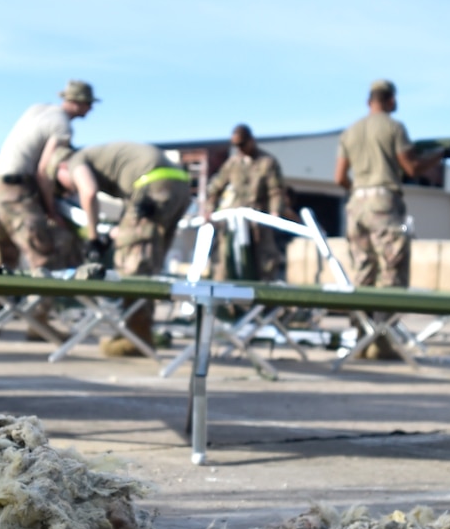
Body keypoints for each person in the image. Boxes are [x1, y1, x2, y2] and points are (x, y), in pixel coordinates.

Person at [48, 141, 192, 356]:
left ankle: (136, 336)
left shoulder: (76, 160)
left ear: (61, 167)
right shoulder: (105, 157)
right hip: (179, 184)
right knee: (149, 260)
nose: (68, 193)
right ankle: (139, 332)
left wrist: (93, 237)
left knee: (131, 265)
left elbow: (88, 192)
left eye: (62, 187)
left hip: (152, 185)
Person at [333, 80, 435, 359]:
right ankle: (382, 340)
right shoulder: (393, 127)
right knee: (391, 272)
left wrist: (358, 194)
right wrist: (436, 158)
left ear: (369, 100)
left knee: (362, 272)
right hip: (383, 203)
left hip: (356, 205)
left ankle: (362, 339)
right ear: (390, 100)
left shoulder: (351, 131)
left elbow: (340, 177)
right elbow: (410, 166)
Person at [0, 81, 95, 273]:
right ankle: (41, 304)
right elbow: (44, 170)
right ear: (79, 103)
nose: (90, 109)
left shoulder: (38, 109)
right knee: (45, 260)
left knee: (2, 263)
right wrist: (51, 211)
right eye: (89, 104)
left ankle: (1, 304)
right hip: (17, 191)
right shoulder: (62, 126)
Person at [207, 124, 293, 281]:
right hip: (234, 221)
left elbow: (276, 191)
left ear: (251, 140)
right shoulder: (233, 163)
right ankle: (226, 299)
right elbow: (215, 188)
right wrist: (208, 210)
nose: (240, 149)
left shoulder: (267, 162)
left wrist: (275, 213)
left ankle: (265, 300)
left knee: (265, 262)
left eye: (243, 144)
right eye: (237, 146)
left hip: (258, 220)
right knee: (225, 260)